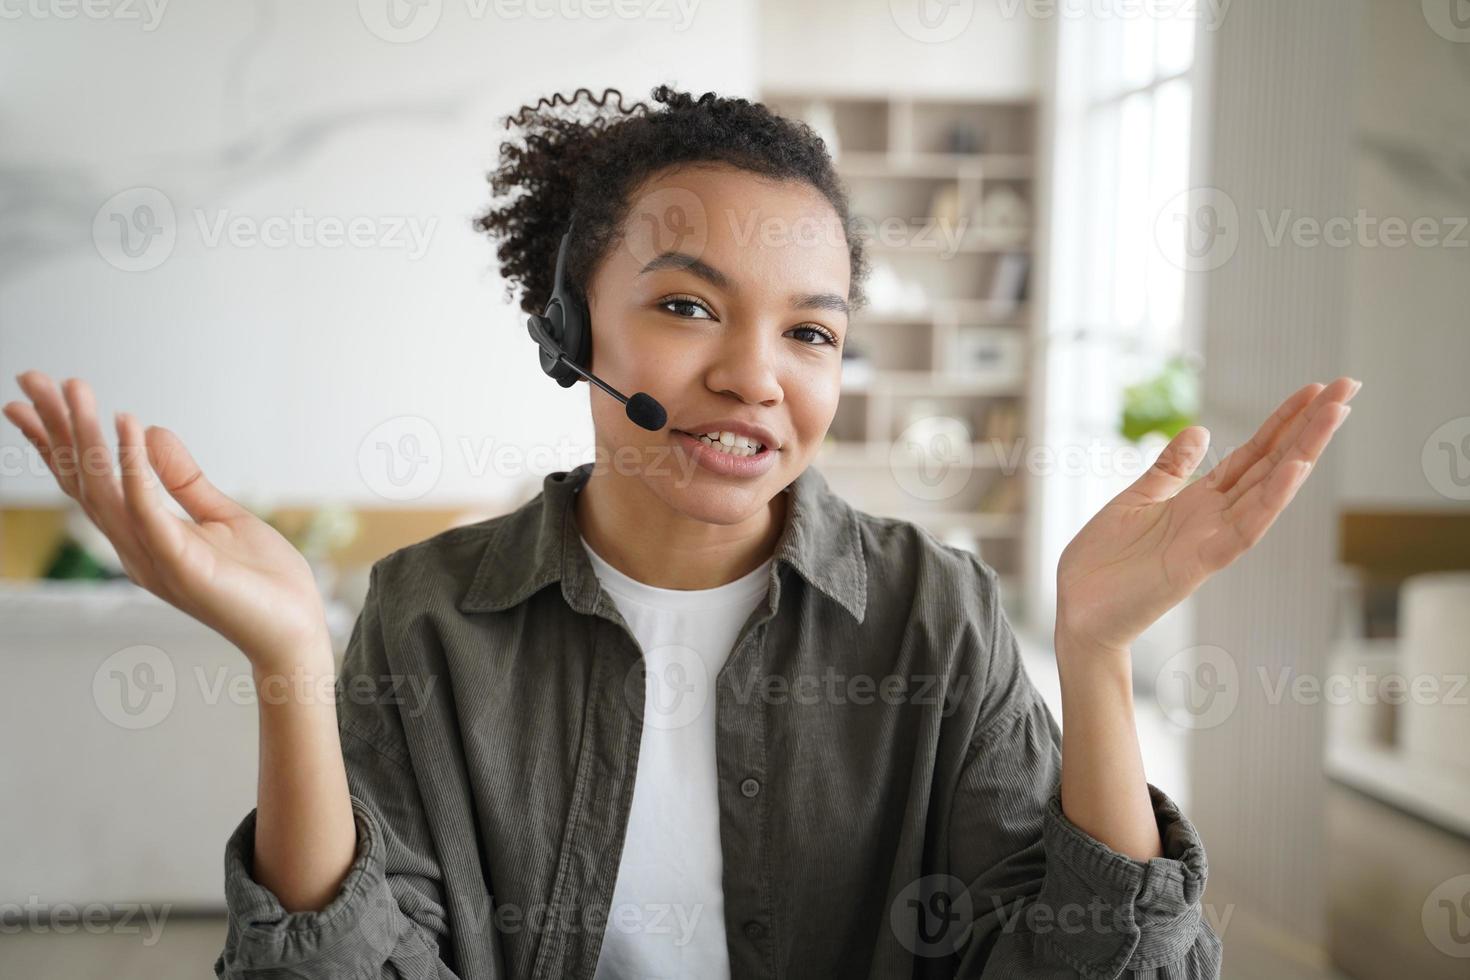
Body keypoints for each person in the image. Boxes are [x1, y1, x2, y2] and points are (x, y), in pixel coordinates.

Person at [3, 84, 1358, 980]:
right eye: (690, 307)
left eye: (810, 331)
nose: (755, 376)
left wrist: (1099, 655)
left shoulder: (929, 616)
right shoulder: (429, 612)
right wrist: (292, 659)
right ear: (568, 327)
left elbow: (1077, 965)